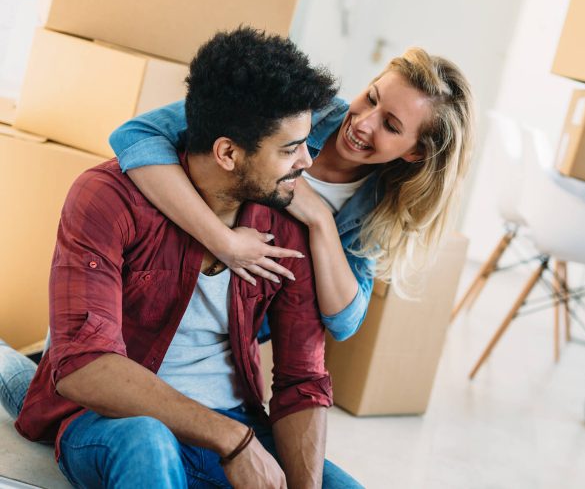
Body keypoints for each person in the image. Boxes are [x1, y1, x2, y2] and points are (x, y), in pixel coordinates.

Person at [10, 28, 362, 488]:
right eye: (290, 148)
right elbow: (85, 368)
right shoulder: (106, 197)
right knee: (148, 442)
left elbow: (303, 382)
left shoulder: (288, 223)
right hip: (117, 422)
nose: (307, 163)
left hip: (236, 420)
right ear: (228, 152)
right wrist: (233, 441)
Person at [109, 47, 474, 342]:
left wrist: (319, 220)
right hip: (158, 278)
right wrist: (223, 242)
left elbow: (345, 320)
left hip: (226, 329)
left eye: (390, 125)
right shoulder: (299, 104)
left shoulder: (380, 201)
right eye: (371, 98)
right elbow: (135, 136)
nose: (363, 123)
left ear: (415, 152)